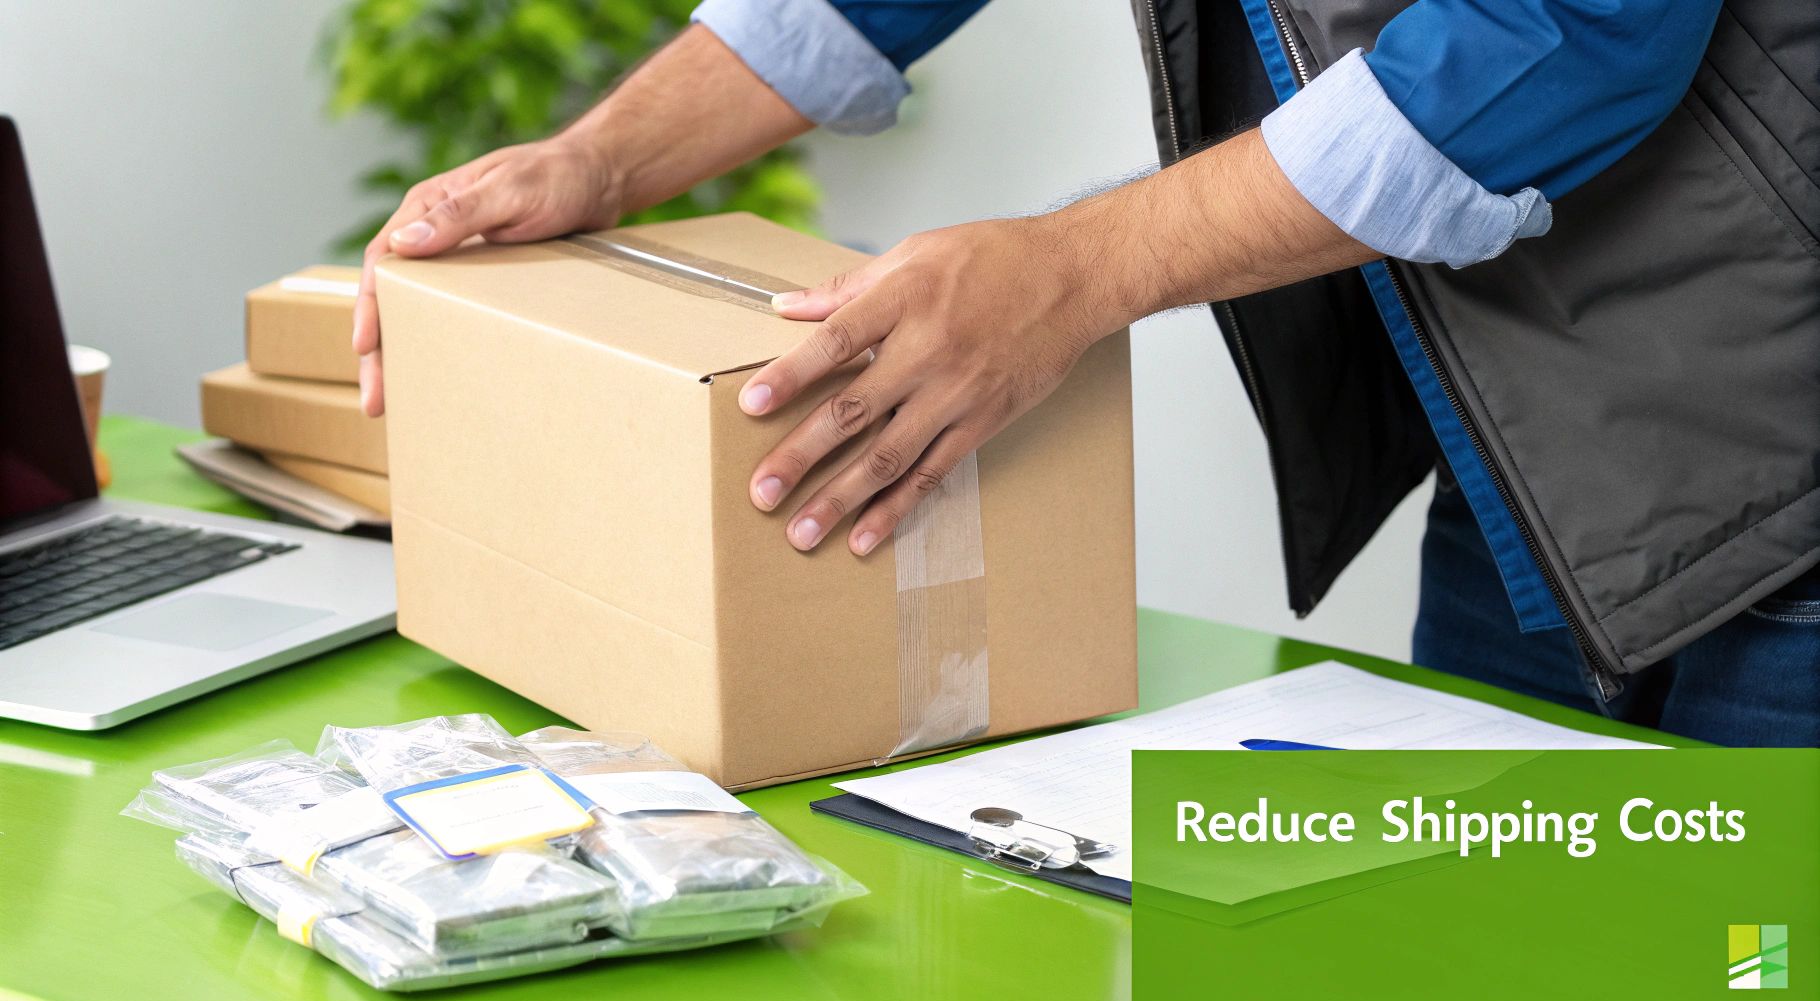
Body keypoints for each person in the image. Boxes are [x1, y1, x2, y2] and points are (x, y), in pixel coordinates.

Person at [351, 0, 1819, 747]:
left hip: (1782, 471)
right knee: (1501, 956)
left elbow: (1562, 32)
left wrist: (1071, 273)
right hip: (1541, 471)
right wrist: (599, 157)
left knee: (1744, 959)